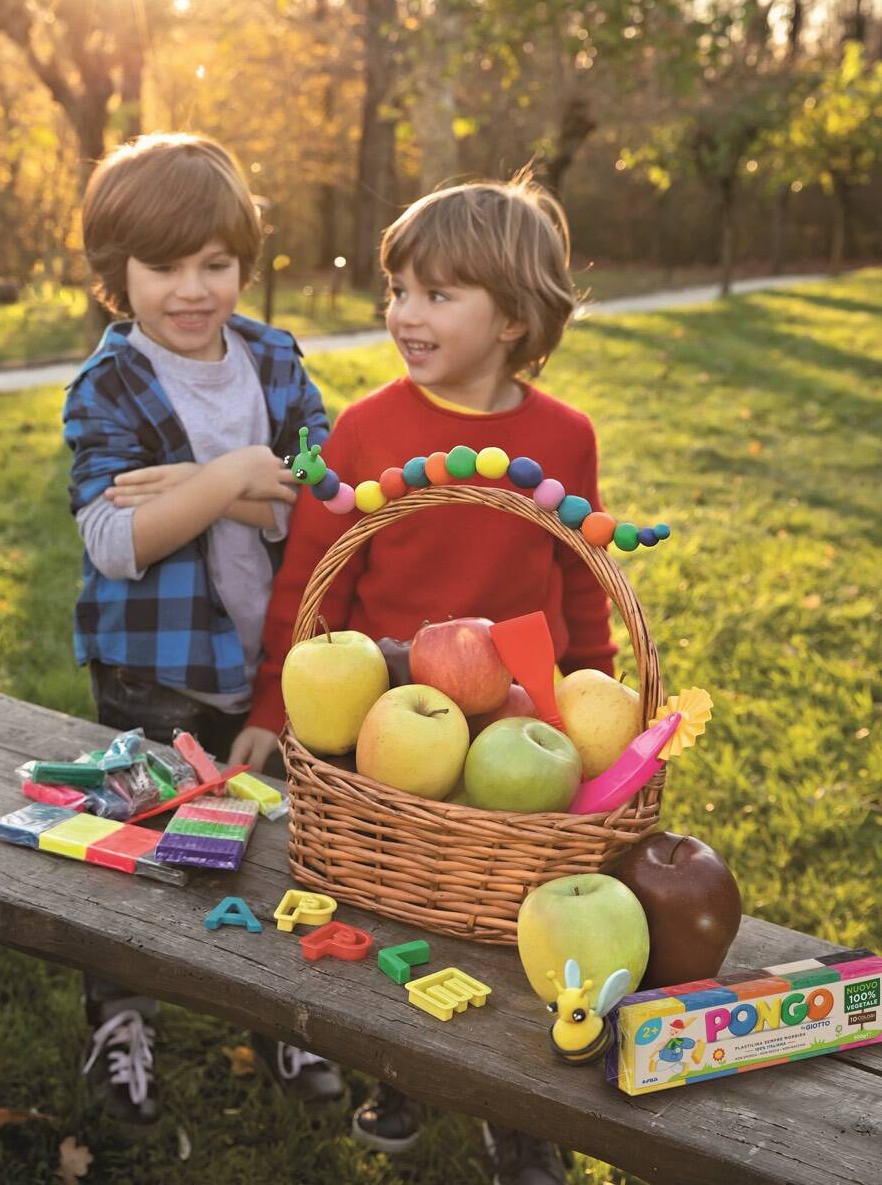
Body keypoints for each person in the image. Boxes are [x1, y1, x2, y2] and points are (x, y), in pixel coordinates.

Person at [236, 173, 617, 1185]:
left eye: (437, 293)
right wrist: (277, 704)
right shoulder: (367, 430)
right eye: (397, 289)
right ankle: (399, 1065)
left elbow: (580, 588)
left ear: (515, 317)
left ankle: (517, 1107)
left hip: (517, 702)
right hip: (383, 699)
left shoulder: (562, 437)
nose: (403, 313)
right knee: (401, 898)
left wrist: (597, 709)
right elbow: (313, 591)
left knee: (512, 903)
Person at [63, 133, 343, 1123]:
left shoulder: (271, 359)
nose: (193, 290)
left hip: (274, 667)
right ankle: (123, 1012)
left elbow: (324, 494)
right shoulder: (113, 385)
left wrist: (202, 486)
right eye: (165, 268)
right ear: (114, 277)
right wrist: (230, 479)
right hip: (157, 672)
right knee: (149, 846)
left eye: (215, 265)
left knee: (271, 850)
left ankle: (277, 1012)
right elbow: (111, 539)